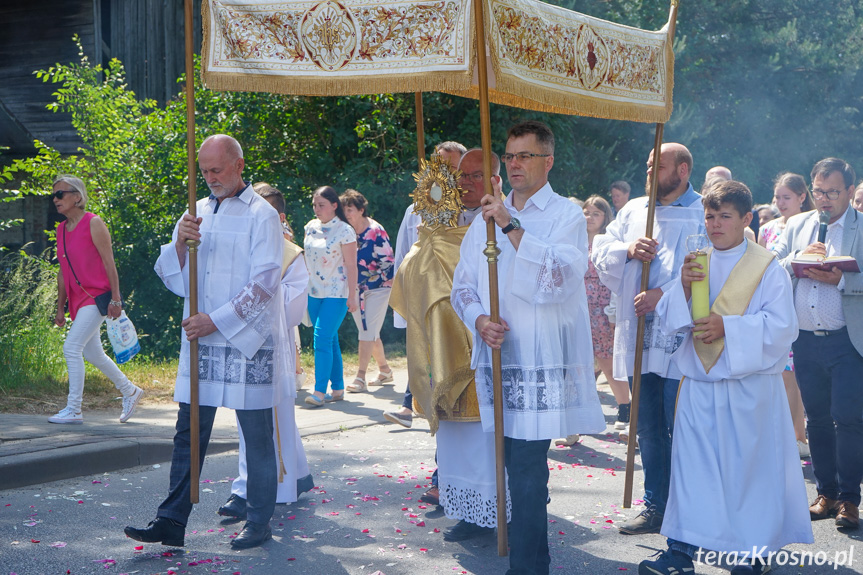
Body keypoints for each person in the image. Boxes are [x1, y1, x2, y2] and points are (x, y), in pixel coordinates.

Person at [452, 121, 605, 574]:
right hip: (499, 357)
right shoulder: (484, 218)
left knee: (526, 469)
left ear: (547, 161)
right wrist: (479, 319)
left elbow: (559, 278)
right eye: (511, 156)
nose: (515, 164)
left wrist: (510, 223)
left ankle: (529, 566)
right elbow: (462, 285)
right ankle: (530, 559)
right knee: (510, 467)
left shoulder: (565, 215)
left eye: (525, 156)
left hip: (539, 360)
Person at [639, 180, 813, 575]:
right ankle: (680, 553)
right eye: (710, 216)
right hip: (699, 385)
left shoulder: (766, 267)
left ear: (746, 219)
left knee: (747, 473)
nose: (716, 224)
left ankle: (752, 554)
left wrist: (728, 327)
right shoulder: (695, 261)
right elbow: (669, 321)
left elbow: (783, 327)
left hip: (747, 387)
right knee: (692, 470)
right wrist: (682, 288)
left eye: (725, 217)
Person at [126, 134, 287, 549]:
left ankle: (258, 520)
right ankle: (171, 520)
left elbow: (266, 282)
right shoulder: (196, 211)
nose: (209, 178)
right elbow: (174, 277)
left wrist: (214, 321)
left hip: (244, 338)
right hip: (201, 338)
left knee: (255, 435)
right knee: (188, 433)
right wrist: (179, 242)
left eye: (216, 170)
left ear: (239, 165)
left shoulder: (263, 215)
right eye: (204, 171)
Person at [393, 148, 508, 542]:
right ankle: (466, 510)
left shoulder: (504, 220)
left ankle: (502, 508)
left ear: (496, 179)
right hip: (445, 342)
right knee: (457, 436)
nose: (466, 183)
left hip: (488, 342)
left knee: (486, 435)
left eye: (477, 176)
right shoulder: (438, 221)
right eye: (462, 176)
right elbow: (410, 268)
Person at [591, 142, 706, 535]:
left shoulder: (704, 212)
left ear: (684, 169)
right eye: (647, 166)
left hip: (681, 335)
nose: (649, 174)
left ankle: (689, 509)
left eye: (658, 167)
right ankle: (656, 504)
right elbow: (600, 248)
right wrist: (627, 249)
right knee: (648, 426)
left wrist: (665, 295)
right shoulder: (634, 209)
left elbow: (711, 269)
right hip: (638, 329)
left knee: (682, 425)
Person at [773, 157, 863, 531]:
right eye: (819, 191)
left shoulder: (861, 227)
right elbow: (772, 266)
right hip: (806, 339)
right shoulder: (797, 224)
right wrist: (797, 259)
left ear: (851, 191)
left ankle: (849, 499)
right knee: (818, 420)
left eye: (833, 192)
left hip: (848, 340)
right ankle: (824, 493)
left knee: (849, 419)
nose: (825, 199)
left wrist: (839, 281)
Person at [218, 183, 314, 521]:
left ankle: (268, 486)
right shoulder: (241, 250)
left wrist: (261, 293)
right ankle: (257, 484)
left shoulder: (291, 254)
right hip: (238, 338)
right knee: (246, 421)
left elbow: (290, 310)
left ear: (281, 218)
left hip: (273, 345)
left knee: (273, 419)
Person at [384, 140, 467, 431]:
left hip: (461, 310)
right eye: (439, 166)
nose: (444, 173)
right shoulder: (415, 209)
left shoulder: (471, 209)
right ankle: (415, 412)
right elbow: (405, 257)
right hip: (424, 303)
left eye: (452, 167)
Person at [49, 175, 143, 425]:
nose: (55, 199)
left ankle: (74, 409)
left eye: (61, 194)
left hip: (97, 296)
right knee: (93, 354)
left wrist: (116, 298)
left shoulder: (94, 223)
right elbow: (63, 270)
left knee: (71, 348)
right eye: (54, 195)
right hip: (78, 300)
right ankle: (130, 391)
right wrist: (60, 307)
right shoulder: (61, 230)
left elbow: (108, 262)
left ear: (77, 197)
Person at [758, 172, 814, 457]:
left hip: (800, 303)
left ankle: (799, 435)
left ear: (802, 197)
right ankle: (777, 430)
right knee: (777, 371)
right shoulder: (768, 228)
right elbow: (762, 263)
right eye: (777, 197)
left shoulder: (811, 224)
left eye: (787, 197)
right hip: (773, 304)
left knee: (793, 374)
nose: (780, 202)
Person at [578, 196, 630, 436]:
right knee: (579, 363)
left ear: (605, 217)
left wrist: (613, 311)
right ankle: (580, 415)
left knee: (607, 361)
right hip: (579, 307)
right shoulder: (574, 239)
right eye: (586, 212)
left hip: (601, 307)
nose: (589, 217)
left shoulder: (607, 242)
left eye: (595, 213)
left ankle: (625, 408)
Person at [302, 186, 358, 407]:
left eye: (321, 205)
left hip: (337, 294)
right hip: (313, 292)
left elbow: (352, 266)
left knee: (321, 338)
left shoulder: (345, 231)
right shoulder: (310, 227)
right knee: (331, 338)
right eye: (314, 205)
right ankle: (337, 388)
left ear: (335, 205)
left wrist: (352, 296)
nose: (317, 209)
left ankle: (318, 391)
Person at [340, 189, 395, 393]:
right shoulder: (345, 232)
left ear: (361, 210)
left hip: (379, 287)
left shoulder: (375, 230)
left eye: (350, 210)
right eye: (344, 210)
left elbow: (388, 262)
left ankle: (360, 377)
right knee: (370, 332)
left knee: (366, 331)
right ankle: (385, 370)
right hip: (355, 288)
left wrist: (377, 281)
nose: (347, 215)